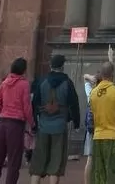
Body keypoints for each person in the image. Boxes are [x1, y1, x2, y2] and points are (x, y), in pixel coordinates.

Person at [30, 53, 80, 184]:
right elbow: (74, 104)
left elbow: (34, 104)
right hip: (59, 126)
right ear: (62, 66)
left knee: (37, 165)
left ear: (50, 65)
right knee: (55, 165)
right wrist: (76, 123)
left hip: (43, 126)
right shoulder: (68, 83)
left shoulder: (41, 81)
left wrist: (34, 124)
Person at [0, 57, 34, 184]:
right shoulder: (24, 84)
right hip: (16, 124)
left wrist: (3, 113)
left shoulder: (4, 83)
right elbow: (27, 107)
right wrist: (32, 123)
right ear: (23, 70)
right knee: (14, 161)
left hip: (2, 122)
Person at [89, 61, 115, 184]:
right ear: (112, 74)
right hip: (113, 136)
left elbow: (93, 114)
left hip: (98, 136)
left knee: (98, 172)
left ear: (101, 74)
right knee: (113, 172)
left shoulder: (93, 93)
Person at [83, 73, 100, 184]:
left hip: (91, 129)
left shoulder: (91, 93)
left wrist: (90, 77)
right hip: (102, 129)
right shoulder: (107, 93)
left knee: (90, 158)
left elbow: (85, 79)